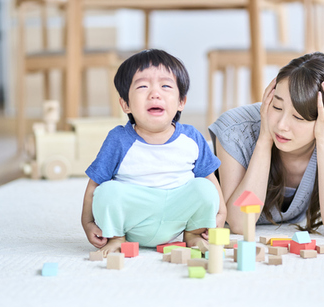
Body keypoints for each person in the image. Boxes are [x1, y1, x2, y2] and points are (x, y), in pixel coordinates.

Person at [81, 49, 226, 256]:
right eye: (142, 86)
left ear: (181, 102)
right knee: (107, 191)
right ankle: (117, 238)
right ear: (126, 104)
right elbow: (94, 184)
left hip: (177, 212)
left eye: (166, 86)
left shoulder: (191, 137)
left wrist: (221, 213)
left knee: (204, 187)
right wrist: (87, 222)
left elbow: (210, 178)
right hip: (133, 217)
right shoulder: (119, 139)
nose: (154, 93)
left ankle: (192, 234)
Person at [209, 52, 324, 238]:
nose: (281, 125)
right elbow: (239, 223)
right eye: (277, 107)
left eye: (298, 117)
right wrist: (264, 140)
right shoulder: (234, 129)